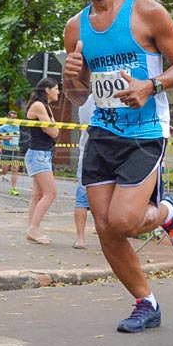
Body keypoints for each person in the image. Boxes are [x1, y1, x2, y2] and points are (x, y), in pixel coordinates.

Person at [62, 0, 173, 334]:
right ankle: (146, 303)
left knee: (123, 221)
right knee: (105, 228)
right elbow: (78, 96)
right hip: (103, 131)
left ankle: (167, 213)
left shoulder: (147, 12)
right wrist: (73, 76)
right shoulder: (75, 28)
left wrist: (150, 86)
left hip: (145, 130)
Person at [24, 78, 60, 245]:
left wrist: (54, 128)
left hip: (42, 153)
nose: (58, 92)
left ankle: (32, 228)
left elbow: (54, 130)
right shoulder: (39, 105)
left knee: (38, 195)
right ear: (47, 90)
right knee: (50, 193)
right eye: (56, 88)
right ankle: (33, 228)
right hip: (38, 154)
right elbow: (51, 131)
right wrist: (54, 128)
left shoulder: (45, 106)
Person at [73, 96, 96, 250]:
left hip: (87, 152)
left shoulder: (85, 102)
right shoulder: (110, 99)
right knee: (103, 196)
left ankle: (80, 238)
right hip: (99, 153)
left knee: (83, 196)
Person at [0, 111, 21, 196]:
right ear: (9, 118)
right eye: (12, 118)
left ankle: (13, 189)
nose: (14, 119)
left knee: (15, 168)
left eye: (15, 117)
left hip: (16, 150)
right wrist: (5, 137)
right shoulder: (4, 127)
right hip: (6, 150)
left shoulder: (18, 126)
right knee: (5, 171)